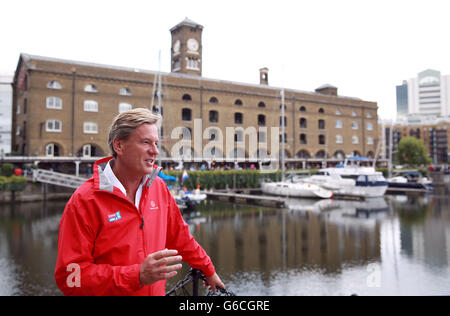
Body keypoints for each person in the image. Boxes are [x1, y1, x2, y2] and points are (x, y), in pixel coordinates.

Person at [55, 108, 224, 296]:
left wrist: (208, 269)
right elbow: (70, 278)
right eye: (146, 142)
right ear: (119, 145)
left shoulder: (158, 187)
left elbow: (180, 237)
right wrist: (136, 275)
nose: (155, 151)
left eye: (156, 143)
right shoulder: (85, 200)